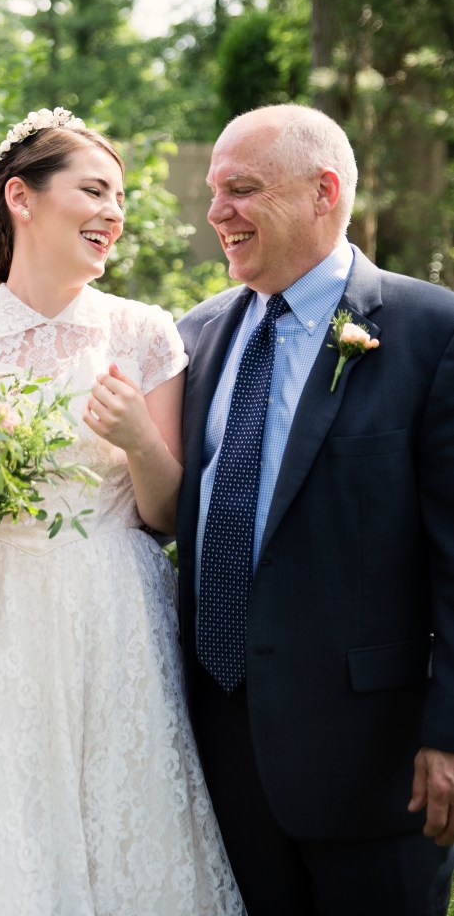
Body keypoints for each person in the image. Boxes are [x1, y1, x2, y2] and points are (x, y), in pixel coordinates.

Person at [0, 108, 243, 915]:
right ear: (21, 198)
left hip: (111, 616)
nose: (112, 213)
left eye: (118, 198)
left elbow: (165, 515)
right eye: (93, 191)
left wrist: (138, 440)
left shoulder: (143, 333)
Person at [176, 102, 454, 916]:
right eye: (213, 191)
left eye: (241, 189)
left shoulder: (431, 331)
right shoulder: (194, 336)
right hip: (220, 752)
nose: (216, 212)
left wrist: (448, 734)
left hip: (377, 765)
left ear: (322, 192)